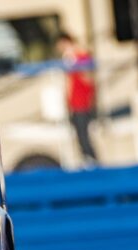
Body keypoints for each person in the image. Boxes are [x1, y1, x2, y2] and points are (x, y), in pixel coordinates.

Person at [57, 32, 97, 163]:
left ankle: (91, 159)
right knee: (79, 133)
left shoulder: (81, 56)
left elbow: (88, 78)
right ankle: (86, 158)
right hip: (74, 101)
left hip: (83, 101)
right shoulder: (68, 59)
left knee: (84, 133)